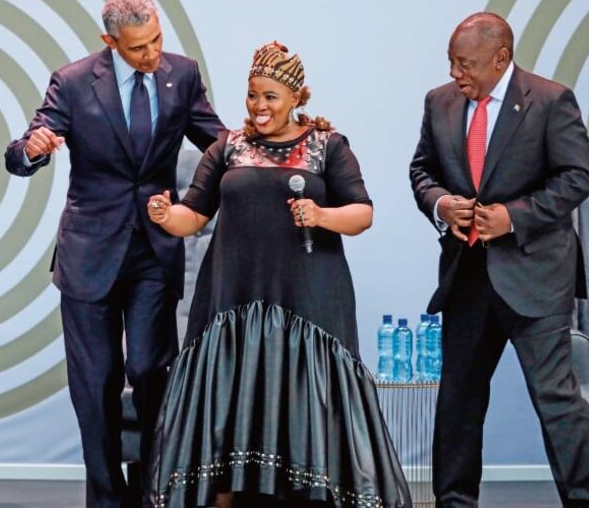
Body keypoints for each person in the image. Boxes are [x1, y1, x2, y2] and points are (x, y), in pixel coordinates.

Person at [147, 42, 411, 508]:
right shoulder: (226, 147)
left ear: (296, 97)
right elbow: (193, 216)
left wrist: (321, 216)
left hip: (308, 299)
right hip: (233, 299)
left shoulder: (327, 147)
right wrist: (166, 216)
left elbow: (362, 214)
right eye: (252, 95)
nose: (259, 107)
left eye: (270, 96)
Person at [5, 0, 225, 507]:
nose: (151, 55)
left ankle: (154, 491)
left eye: (155, 42)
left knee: (151, 369)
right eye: (137, 49)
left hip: (153, 250)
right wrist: (31, 151)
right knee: (96, 384)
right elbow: (24, 149)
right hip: (89, 253)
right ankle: (107, 498)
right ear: (109, 41)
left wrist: (270, 155)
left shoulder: (182, 74)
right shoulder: (75, 82)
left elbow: (217, 144)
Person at [409, 12, 589, 507]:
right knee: (458, 403)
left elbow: (577, 176)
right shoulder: (439, 102)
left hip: (535, 275)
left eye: (467, 64)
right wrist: (440, 203)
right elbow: (422, 170)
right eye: (452, 63)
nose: (457, 74)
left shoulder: (550, 100)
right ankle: (454, 502)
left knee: (558, 401)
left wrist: (514, 217)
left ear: (501, 58)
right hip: (467, 274)